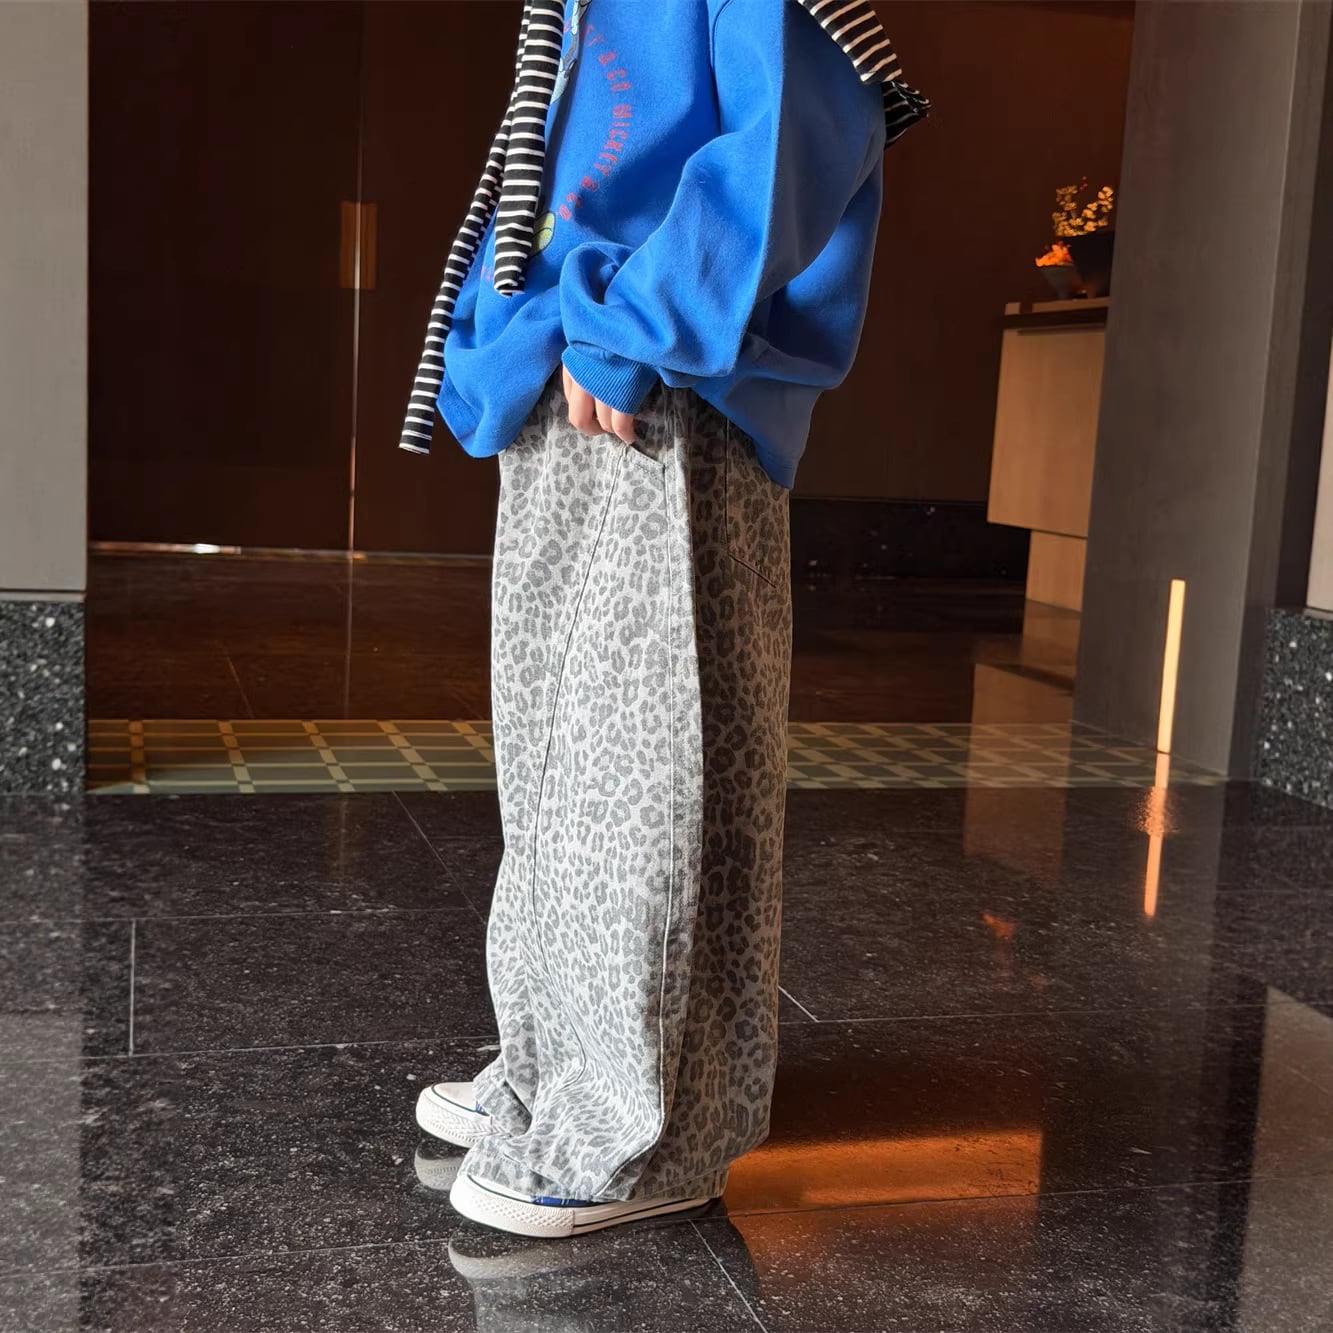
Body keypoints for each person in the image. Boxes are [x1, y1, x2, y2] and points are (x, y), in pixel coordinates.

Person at [402, 0, 926, 1239]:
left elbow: (810, 117)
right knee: (556, 766)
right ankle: (555, 1062)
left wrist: (641, 322)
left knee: (647, 770)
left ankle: (648, 1127)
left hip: (668, 381)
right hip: (575, 361)